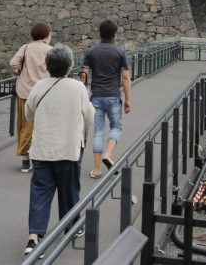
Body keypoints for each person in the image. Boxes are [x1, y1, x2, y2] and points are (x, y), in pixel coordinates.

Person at [23, 44, 94, 256]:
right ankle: (71, 226)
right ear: (69, 66)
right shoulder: (77, 87)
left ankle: (34, 238)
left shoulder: (40, 86)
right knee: (69, 190)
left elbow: (28, 114)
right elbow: (91, 116)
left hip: (43, 148)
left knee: (40, 192)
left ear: (47, 66)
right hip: (68, 148)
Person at [79, 20, 131, 179]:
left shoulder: (91, 51)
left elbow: (84, 75)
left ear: (100, 33)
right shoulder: (120, 52)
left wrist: (81, 96)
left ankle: (97, 170)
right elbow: (125, 77)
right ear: (114, 34)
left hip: (96, 97)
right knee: (116, 127)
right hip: (113, 95)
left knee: (98, 132)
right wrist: (128, 99)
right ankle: (108, 154)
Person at [9, 22, 53, 173]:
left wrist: (19, 72)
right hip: (45, 92)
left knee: (25, 125)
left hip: (25, 92)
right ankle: (39, 157)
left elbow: (13, 63)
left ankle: (25, 158)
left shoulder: (26, 47)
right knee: (43, 125)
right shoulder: (50, 50)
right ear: (46, 35)